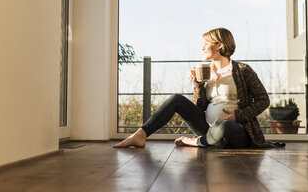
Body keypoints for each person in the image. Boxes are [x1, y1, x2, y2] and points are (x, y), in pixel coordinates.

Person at [114, 28, 283, 148]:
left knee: (224, 128)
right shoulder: (205, 71)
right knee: (176, 99)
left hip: (236, 129)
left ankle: (194, 142)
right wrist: (198, 84)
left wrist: (238, 115)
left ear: (219, 45)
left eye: (206, 43)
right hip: (207, 128)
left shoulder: (242, 70)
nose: (202, 47)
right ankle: (140, 135)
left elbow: (263, 100)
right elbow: (200, 106)